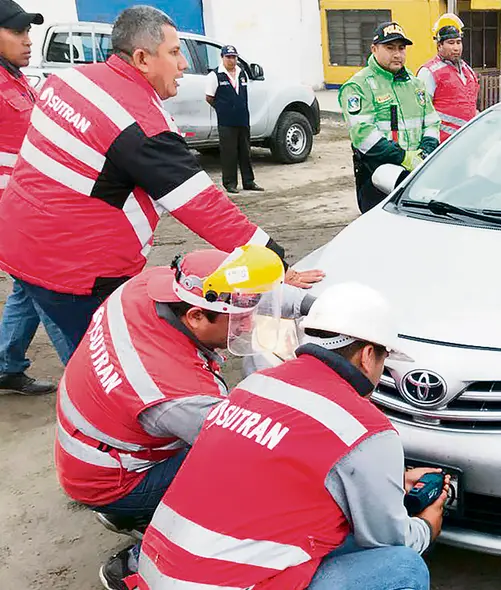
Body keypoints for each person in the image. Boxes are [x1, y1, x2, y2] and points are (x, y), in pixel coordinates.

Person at [0, 6, 310, 361]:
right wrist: (276, 263)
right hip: (75, 273)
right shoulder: (139, 126)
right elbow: (205, 207)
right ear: (142, 58)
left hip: (22, 244)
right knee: (105, 364)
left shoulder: (69, 80)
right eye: (175, 53)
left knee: (79, 347)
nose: (183, 65)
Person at [130, 282, 447, 590]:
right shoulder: (366, 428)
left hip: (157, 566)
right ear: (367, 355)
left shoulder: (258, 384)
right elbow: (387, 538)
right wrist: (425, 527)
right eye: (384, 359)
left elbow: (284, 466)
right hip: (224, 582)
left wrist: (387, 477)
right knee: (404, 567)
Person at [53, 245, 313, 589]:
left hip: (93, 445)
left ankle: (130, 511)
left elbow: (241, 297)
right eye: (237, 320)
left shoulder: (149, 286)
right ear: (194, 317)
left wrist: (319, 308)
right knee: (249, 485)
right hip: (114, 478)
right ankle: (141, 563)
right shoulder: (178, 394)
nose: (247, 323)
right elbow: (251, 448)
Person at [0, 0, 70, 396]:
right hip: (11, 211)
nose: (29, 41)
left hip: (26, 205)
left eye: (29, 32)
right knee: (51, 288)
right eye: (18, 32)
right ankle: (89, 377)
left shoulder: (18, 80)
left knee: (27, 289)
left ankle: (7, 364)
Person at [339, 21, 440, 214]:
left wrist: (425, 152)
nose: (397, 54)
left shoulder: (415, 84)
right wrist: (403, 157)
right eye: (390, 47)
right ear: (374, 49)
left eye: (401, 48)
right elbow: (363, 136)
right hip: (377, 177)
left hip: (416, 173)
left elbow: (431, 122)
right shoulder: (359, 86)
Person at [205, 44, 264, 194]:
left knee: (245, 152)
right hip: (226, 122)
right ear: (222, 57)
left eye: (234, 57)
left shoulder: (241, 73)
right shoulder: (215, 75)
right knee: (229, 153)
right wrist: (223, 109)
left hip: (243, 119)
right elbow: (209, 98)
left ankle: (248, 181)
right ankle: (230, 183)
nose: (232, 60)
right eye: (228, 57)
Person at [416, 13, 479, 142]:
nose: (456, 48)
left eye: (458, 42)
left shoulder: (468, 71)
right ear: (439, 46)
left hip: (468, 140)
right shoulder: (428, 72)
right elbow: (420, 113)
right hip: (442, 145)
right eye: (451, 43)